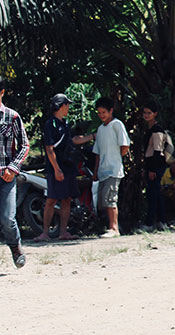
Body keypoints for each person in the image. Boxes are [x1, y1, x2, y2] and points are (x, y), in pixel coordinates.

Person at [35, 94, 94, 242]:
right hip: (56, 167)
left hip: (68, 166)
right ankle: (45, 233)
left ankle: (63, 232)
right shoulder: (50, 124)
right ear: (61, 106)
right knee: (52, 199)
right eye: (67, 105)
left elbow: (72, 141)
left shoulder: (65, 123)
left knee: (67, 199)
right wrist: (56, 169)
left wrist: (92, 136)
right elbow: (49, 149)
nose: (68, 107)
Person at [0, 77, 29, 268]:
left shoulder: (12, 117)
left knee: (7, 218)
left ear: (1, 93)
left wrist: (13, 167)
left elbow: (25, 145)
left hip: (6, 176)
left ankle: (15, 246)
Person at [92, 97, 130, 237]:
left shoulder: (117, 125)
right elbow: (97, 153)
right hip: (103, 170)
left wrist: (116, 158)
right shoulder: (100, 129)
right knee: (103, 200)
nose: (101, 115)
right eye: (99, 112)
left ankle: (114, 228)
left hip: (114, 170)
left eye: (104, 112)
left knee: (110, 199)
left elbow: (125, 146)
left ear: (111, 111)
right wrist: (96, 171)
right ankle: (110, 226)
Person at [140, 101, 168, 229]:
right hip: (151, 165)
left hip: (156, 166)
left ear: (155, 114)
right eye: (145, 113)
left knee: (154, 194)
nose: (146, 115)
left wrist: (152, 170)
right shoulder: (150, 129)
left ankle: (152, 222)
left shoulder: (157, 130)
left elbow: (158, 150)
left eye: (149, 113)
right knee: (154, 194)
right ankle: (160, 222)